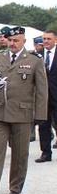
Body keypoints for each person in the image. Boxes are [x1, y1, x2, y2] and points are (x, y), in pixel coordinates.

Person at [0, 27, 47, 194]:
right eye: (10, 40)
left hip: (22, 114)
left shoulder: (34, 61)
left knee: (20, 153)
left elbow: (42, 90)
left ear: (24, 41)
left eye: (16, 40)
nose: (12, 43)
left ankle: (15, 186)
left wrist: (40, 115)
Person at [35, 30, 57, 163]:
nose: (46, 41)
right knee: (43, 125)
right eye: (44, 39)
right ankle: (45, 153)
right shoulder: (37, 56)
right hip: (42, 97)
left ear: (55, 40)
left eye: (49, 38)